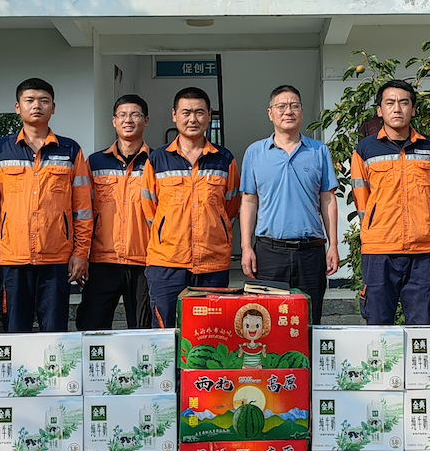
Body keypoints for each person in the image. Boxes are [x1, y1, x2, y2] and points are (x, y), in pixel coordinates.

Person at [0, 78, 91, 332]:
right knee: (14, 332)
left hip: (56, 258)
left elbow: (82, 210)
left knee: (55, 334)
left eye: (43, 101)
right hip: (12, 259)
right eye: (29, 100)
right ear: (17, 107)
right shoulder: (0, 150)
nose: (36, 106)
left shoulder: (70, 151)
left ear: (53, 107)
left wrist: (81, 253)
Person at [141, 87, 241, 328]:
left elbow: (231, 207)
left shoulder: (225, 160)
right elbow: (149, 209)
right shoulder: (157, 159)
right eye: (186, 112)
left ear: (209, 115)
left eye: (199, 112)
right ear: (174, 115)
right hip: (167, 263)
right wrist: (168, 232)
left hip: (212, 263)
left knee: (210, 331)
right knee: (166, 331)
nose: (192, 119)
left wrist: (214, 229)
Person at [240, 85, 340, 324]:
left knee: (309, 320)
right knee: (268, 322)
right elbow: (249, 201)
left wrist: (333, 245)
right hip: (269, 253)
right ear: (270, 113)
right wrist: (246, 247)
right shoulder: (255, 153)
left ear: (302, 112)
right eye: (281, 106)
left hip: (311, 252)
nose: (288, 111)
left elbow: (327, 199)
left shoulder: (319, 151)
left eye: (294, 106)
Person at [349, 80, 430, 326]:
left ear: (413, 109)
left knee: (423, 325)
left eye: (404, 102)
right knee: (378, 325)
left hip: (421, 250)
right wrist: (374, 227)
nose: (397, 109)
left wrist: (424, 225)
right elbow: (362, 201)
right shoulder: (365, 149)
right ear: (379, 110)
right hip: (379, 250)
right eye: (390, 103)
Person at [78, 94, 154, 331]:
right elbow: (83, 210)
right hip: (102, 261)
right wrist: (81, 254)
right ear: (114, 121)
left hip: (144, 260)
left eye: (135, 115)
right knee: (92, 329)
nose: (128, 120)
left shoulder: (157, 161)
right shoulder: (95, 162)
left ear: (146, 120)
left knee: (143, 331)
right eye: (122, 115)